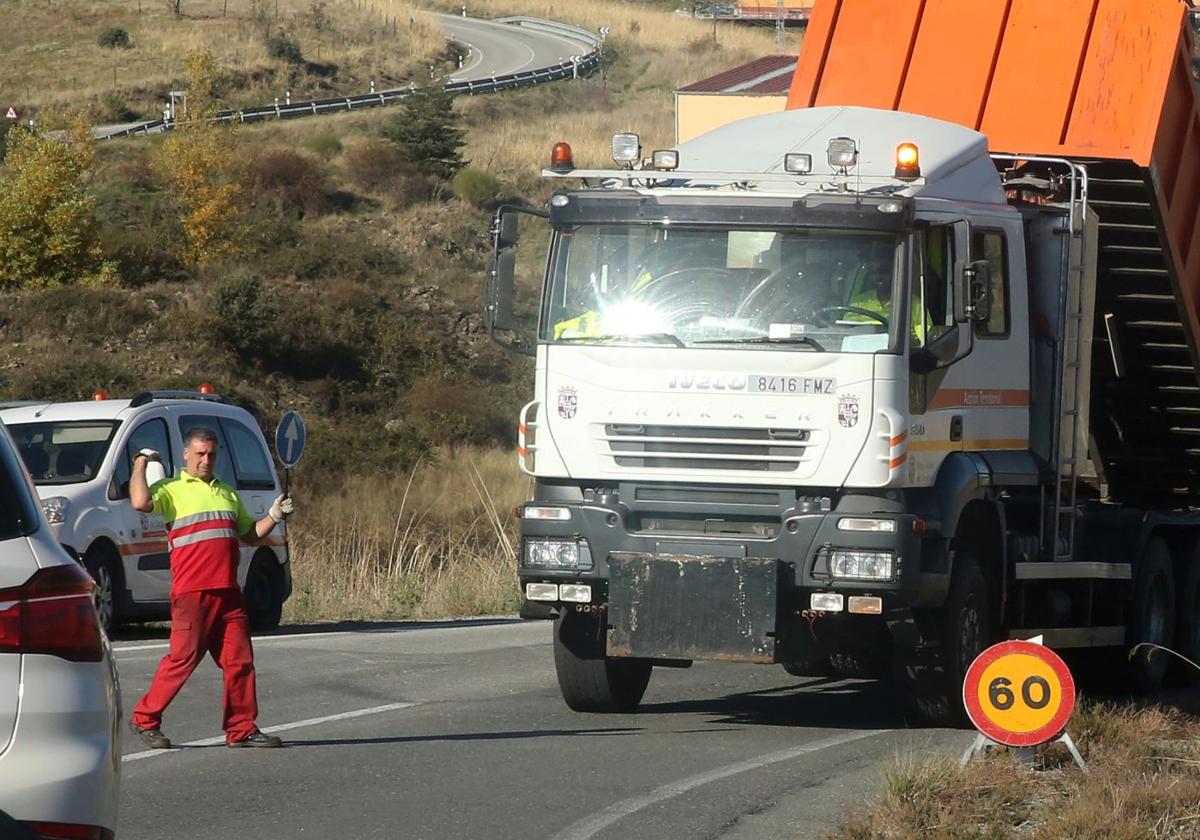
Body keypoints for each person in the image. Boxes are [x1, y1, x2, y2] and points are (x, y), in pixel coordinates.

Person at [127, 427, 295, 749]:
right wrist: (140, 463)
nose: (206, 460)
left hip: (229, 594)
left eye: (211, 454)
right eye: (200, 454)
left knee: (240, 662)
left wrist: (274, 515)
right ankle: (144, 719)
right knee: (182, 660)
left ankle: (241, 728)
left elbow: (250, 535)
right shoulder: (171, 489)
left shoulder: (228, 492)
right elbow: (139, 501)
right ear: (186, 455)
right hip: (193, 594)